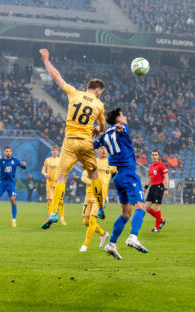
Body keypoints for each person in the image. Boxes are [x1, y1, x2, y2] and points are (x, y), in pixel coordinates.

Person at [39, 48, 106, 230]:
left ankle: (53, 213)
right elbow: (102, 126)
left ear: (88, 88)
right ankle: (100, 208)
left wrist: (46, 61)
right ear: (98, 92)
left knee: (62, 177)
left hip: (69, 141)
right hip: (85, 142)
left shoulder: (74, 93)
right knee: (94, 175)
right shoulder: (99, 104)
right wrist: (97, 129)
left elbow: (57, 77)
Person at [95, 108, 148, 260]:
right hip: (128, 173)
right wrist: (120, 128)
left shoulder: (104, 135)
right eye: (123, 115)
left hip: (117, 177)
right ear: (119, 119)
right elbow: (122, 131)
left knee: (126, 213)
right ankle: (133, 237)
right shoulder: (122, 127)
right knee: (141, 207)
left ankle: (111, 244)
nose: (125, 117)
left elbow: (93, 144)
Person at [79, 146, 115, 252]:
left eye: (105, 148)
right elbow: (83, 177)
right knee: (85, 221)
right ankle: (103, 234)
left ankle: (85, 245)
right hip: (88, 195)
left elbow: (118, 174)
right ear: (97, 150)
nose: (103, 150)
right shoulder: (92, 161)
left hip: (100, 197)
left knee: (92, 220)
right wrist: (93, 183)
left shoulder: (112, 163)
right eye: (101, 148)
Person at [0, 147, 26, 227]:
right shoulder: (1, 161)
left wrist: (24, 165)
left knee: (13, 200)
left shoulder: (15, 160)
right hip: (2, 183)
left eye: (9, 151)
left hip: (11, 184)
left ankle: (14, 220)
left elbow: (22, 166)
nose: (8, 152)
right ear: (4, 153)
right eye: (7, 151)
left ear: (11, 152)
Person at [144, 150, 169, 232]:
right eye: (153, 155)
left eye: (156, 155)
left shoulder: (161, 165)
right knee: (146, 207)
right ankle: (161, 220)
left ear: (158, 157)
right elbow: (150, 178)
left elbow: (166, 177)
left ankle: (157, 227)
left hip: (159, 187)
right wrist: (145, 188)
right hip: (152, 187)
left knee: (156, 206)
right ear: (151, 156)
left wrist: (166, 189)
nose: (154, 156)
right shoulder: (151, 166)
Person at [41, 146, 66, 225]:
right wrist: (45, 174)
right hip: (49, 183)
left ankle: (62, 218)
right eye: (53, 150)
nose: (55, 152)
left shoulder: (60, 160)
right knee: (49, 200)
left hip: (58, 183)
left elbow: (64, 170)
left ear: (58, 152)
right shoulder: (47, 160)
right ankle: (50, 217)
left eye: (56, 150)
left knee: (60, 201)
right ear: (51, 151)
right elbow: (43, 170)